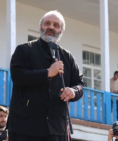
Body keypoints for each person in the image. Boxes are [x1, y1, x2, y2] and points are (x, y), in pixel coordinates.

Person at [7, 10, 84, 141]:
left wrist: (73, 91)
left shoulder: (67, 57)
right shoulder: (24, 50)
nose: (51, 27)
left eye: (56, 25)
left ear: (61, 31)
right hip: (25, 127)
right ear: (40, 27)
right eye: (47, 23)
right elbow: (17, 76)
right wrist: (47, 73)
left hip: (56, 129)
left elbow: (80, 84)